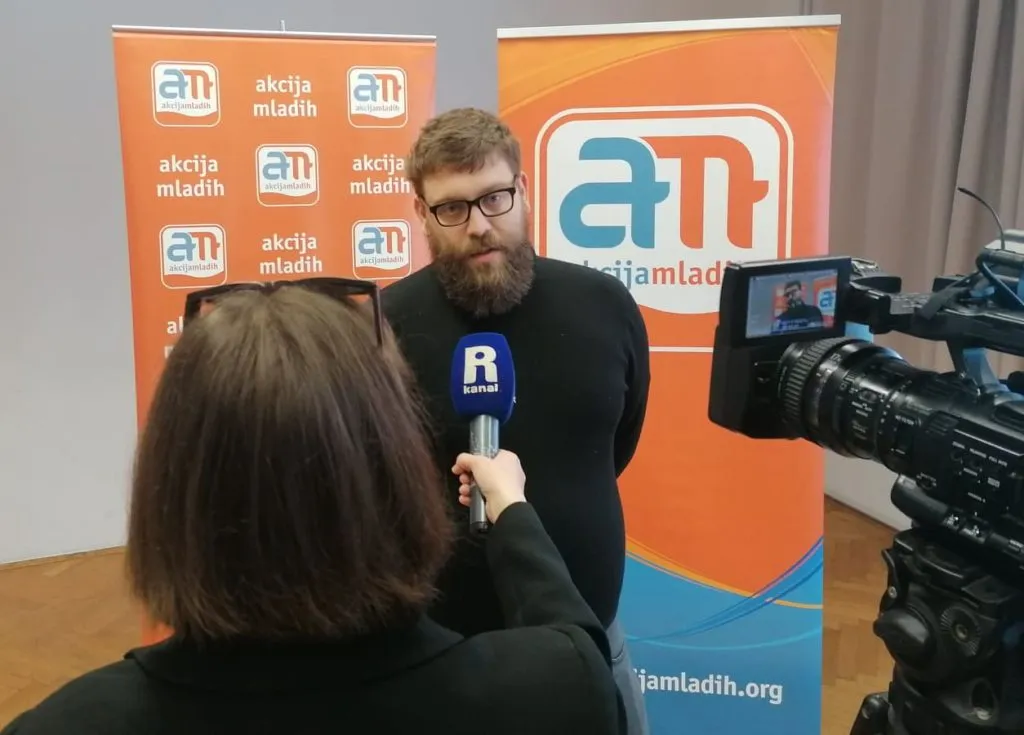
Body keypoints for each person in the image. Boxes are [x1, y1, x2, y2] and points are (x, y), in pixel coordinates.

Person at [0, 280, 625, 735]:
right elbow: (573, 639)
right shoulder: (548, 695)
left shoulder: (66, 726)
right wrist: (512, 510)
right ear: (396, 473)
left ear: (171, 495)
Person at [381, 108, 651, 735]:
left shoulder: (604, 305)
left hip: (589, 644)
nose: (479, 225)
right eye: (452, 208)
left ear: (522, 190)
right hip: (443, 656)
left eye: (494, 198)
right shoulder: (385, 327)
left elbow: (617, 444)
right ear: (421, 212)